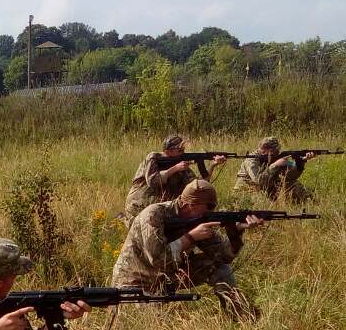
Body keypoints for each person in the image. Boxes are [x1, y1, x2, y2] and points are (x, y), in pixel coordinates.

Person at [111, 179, 262, 319]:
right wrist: (190, 238)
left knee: (220, 268)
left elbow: (223, 256)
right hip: (135, 282)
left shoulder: (196, 220)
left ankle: (241, 314)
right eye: (209, 207)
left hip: (167, 277)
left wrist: (236, 231)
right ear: (191, 205)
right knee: (156, 324)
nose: (211, 211)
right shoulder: (153, 216)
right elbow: (158, 260)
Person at [123, 134, 225, 221]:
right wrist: (175, 169)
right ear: (168, 151)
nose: (183, 153)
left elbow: (197, 187)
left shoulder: (181, 166)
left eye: (183, 150)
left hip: (158, 210)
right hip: (137, 207)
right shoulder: (154, 158)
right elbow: (152, 181)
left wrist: (212, 165)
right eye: (180, 150)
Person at [234, 136, 315, 203]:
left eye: (277, 151)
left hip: (268, 188)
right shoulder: (252, 160)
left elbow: (289, 177)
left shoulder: (275, 158)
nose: (277, 153)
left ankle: (310, 203)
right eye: (274, 151)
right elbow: (259, 181)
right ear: (263, 150)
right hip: (247, 190)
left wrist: (301, 162)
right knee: (264, 204)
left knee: (295, 186)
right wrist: (274, 165)